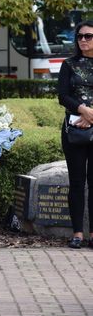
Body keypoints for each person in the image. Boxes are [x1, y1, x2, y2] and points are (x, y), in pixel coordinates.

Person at [57, 20, 93, 249]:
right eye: (80, 36)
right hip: (74, 129)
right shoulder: (69, 64)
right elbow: (63, 95)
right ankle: (78, 233)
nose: (83, 40)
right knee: (77, 182)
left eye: (88, 36)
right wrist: (84, 110)